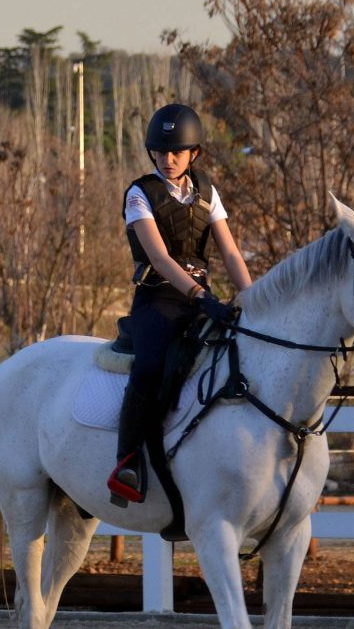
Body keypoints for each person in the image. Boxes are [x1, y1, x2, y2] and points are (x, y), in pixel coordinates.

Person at [108, 103, 252, 507]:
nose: (167, 160)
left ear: (194, 154)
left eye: (176, 153)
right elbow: (160, 259)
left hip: (202, 302)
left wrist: (254, 300)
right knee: (151, 366)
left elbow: (231, 254)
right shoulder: (140, 193)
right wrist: (203, 297)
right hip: (158, 299)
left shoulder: (208, 191)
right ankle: (128, 461)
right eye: (160, 152)